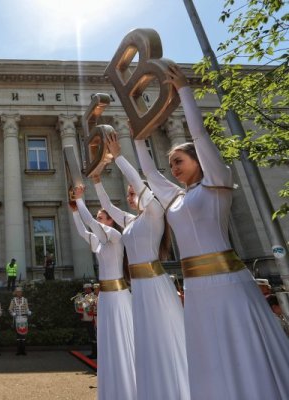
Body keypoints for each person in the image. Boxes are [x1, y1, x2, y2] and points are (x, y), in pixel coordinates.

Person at [135, 64, 289, 399]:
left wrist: (185, 93)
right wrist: (136, 140)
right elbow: (147, 172)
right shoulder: (176, 198)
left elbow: (202, 137)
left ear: (199, 162)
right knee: (208, 353)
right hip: (196, 285)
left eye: (180, 161)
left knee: (241, 345)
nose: (174, 168)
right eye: (172, 163)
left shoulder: (216, 183)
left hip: (227, 279)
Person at [95, 132, 190, 399]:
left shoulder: (155, 212)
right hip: (139, 287)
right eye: (127, 194)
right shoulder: (131, 221)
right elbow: (106, 207)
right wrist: (97, 180)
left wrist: (120, 157)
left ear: (146, 193)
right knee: (146, 343)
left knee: (163, 339)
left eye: (133, 192)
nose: (129, 195)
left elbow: (139, 182)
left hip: (155, 283)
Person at [70, 188, 136, 400]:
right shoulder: (99, 244)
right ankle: (115, 383)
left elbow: (89, 222)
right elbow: (83, 231)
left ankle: (130, 384)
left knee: (123, 338)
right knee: (107, 339)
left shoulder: (116, 237)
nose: (98, 221)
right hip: (106, 296)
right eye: (98, 218)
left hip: (119, 294)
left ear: (110, 221)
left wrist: (79, 201)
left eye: (102, 218)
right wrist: (73, 211)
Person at [8, 286, 31, 356]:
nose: (19, 293)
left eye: (20, 292)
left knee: (23, 335)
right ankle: (18, 351)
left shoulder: (25, 300)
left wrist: (28, 311)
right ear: (16, 293)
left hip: (24, 319)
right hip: (17, 319)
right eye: (18, 292)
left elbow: (27, 308)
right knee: (18, 335)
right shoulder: (13, 300)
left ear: (22, 293)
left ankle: (23, 351)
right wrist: (13, 314)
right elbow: (10, 309)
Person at [80, 283, 97, 358]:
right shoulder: (85, 297)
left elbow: (91, 307)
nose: (86, 290)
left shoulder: (94, 296)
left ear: (91, 289)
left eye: (88, 289)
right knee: (91, 337)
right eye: (85, 289)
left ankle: (95, 353)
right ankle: (93, 352)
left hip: (92, 319)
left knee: (94, 336)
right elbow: (82, 307)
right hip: (86, 318)